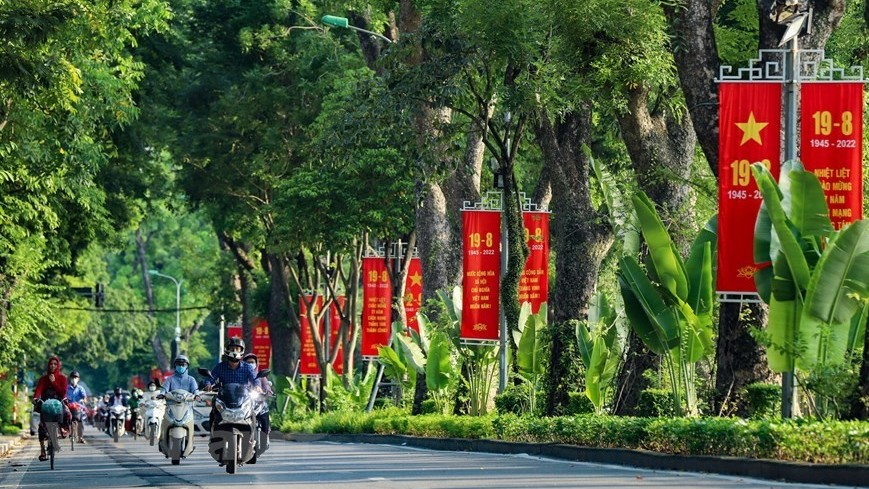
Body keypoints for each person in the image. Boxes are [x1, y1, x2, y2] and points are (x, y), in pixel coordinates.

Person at [158, 355, 200, 454]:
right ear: (175, 366)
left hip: (187, 407)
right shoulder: (170, 379)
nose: (181, 366)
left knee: (191, 422)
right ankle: (162, 439)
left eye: (183, 364)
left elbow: (195, 390)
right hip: (171, 407)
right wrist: (162, 394)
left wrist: (197, 395)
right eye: (178, 364)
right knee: (164, 422)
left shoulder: (191, 379)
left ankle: (190, 443)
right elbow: (164, 389)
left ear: (187, 366)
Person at [33, 356, 69, 461]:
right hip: (46, 404)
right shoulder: (43, 379)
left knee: (68, 413)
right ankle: (42, 450)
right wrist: (36, 398)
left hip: (58, 403)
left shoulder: (62, 378)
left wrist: (53, 382)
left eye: (55, 364)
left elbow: (63, 392)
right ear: (48, 365)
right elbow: (38, 391)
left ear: (58, 366)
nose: (53, 366)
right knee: (41, 426)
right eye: (51, 364)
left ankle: (63, 429)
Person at [243, 353, 272, 436]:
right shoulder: (241, 376)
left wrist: (268, 391)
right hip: (245, 404)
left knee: (264, 410)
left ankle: (265, 432)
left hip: (258, 402)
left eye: (252, 362)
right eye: (248, 362)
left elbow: (266, 385)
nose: (250, 364)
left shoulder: (261, 376)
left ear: (256, 363)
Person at [66, 371, 88, 443]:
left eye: (76, 377)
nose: (74, 379)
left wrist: (84, 400)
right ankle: (64, 431)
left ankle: (80, 437)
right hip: (68, 407)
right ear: (70, 378)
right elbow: (63, 396)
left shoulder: (80, 388)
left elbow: (84, 397)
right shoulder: (66, 388)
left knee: (81, 421)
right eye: (73, 377)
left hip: (78, 407)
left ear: (78, 379)